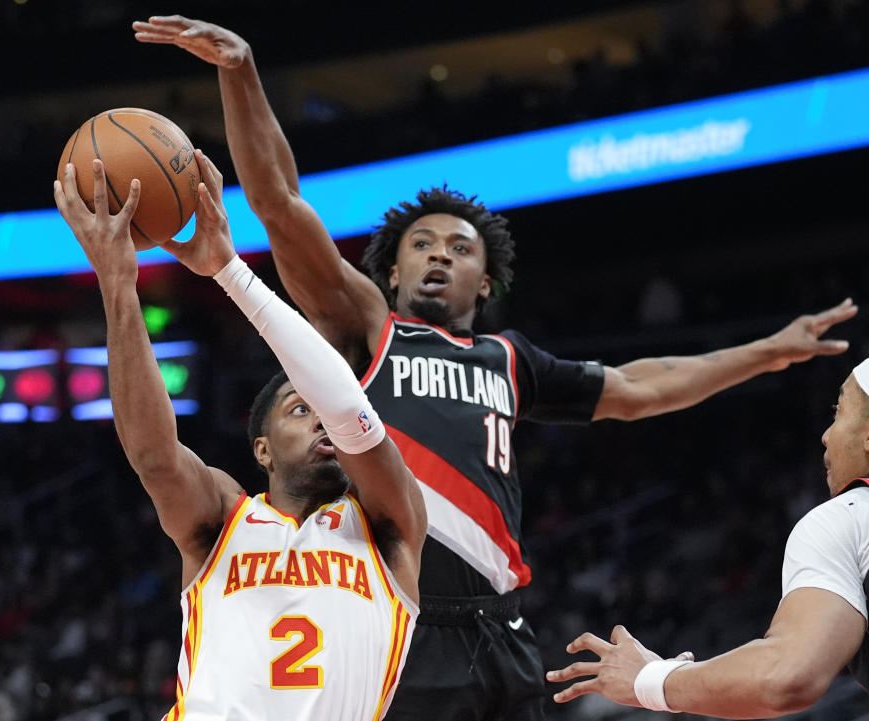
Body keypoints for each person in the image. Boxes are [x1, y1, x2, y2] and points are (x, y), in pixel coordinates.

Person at [132, 16, 859, 720]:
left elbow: (643, 385)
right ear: (390, 269)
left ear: (486, 281)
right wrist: (243, 75)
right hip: (399, 604)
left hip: (502, 627)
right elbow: (281, 205)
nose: (440, 253)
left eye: (459, 246)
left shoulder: (510, 359)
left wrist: (768, 350)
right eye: (421, 244)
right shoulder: (367, 328)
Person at [53, 153, 426, 721]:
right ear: (262, 449)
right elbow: (154, 459)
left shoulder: (390, 525)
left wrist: (231, 270)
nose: (323, 418)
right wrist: (117, 284)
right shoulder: (225, 518)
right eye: (301, 410)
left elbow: (347, 406)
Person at [545, 357, 869, 718]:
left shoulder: (849, 517)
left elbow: (786, 676)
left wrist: (649, 678)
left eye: (839, 411)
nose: (826, 434)